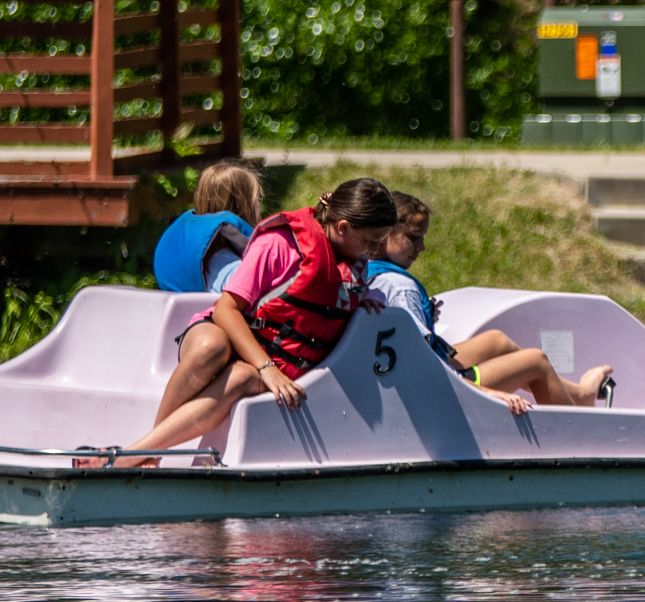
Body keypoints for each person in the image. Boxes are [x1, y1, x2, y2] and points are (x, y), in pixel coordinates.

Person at [82, 178, 396, 467]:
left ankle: (141, 454)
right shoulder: (279, 245)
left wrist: (364, 300)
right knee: (210, 348)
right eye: (372, 241)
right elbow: (226, 310)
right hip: (227, 334)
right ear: (342, 227)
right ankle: (146, 454)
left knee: (242, 378)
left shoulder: (353, 264)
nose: (374, 251)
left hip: (268, 362)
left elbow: (337, 299)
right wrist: (266, 367)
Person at [363, 192, 614, 411]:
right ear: (385, 233)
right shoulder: (400, 287)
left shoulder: (369, 271)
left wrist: (424, 314)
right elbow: (423, 365)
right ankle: (577, 435)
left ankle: (581, 395)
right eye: (414, 236)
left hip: (407, 370)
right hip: (441, 387)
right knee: (536, 361)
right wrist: (486, 393)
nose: (422, 247)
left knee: (497, 340)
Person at [153, 160, 263, 294]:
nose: (260, 207)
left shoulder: (199, 256)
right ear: (242, 208)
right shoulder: (227, 266)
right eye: (256, 200)